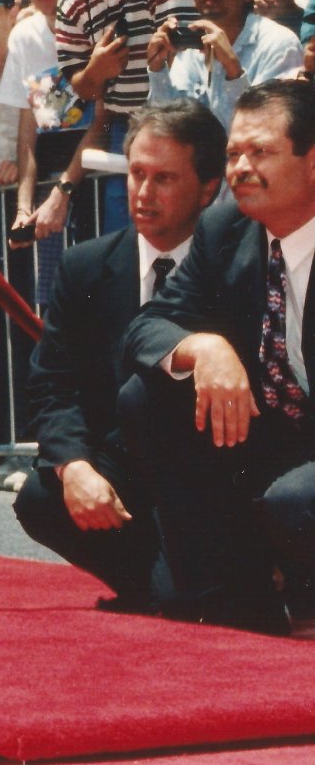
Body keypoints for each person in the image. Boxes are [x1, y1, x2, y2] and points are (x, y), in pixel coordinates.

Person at [121, 80, 315, 634]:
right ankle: (234, 597)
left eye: (262, 152)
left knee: (297, 503)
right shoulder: (225, 226)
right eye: (233, 153)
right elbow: (147, 326)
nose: (241, 168)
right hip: (280, 436)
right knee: (147, 396)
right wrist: (202, 346)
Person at [16, 101, 224, 613]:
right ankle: (163, 587)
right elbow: (52, 382)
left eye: (165, 179)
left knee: (186, 597)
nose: (144, 193)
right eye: (137, 174)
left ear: (208, 189)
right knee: (41, 496)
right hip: (123, 470)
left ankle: (177, 589)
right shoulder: (86, 266)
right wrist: (75, 468)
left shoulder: (235, 265)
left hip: (210, 476)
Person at [55, 0, 198, 234]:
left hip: (173, 120)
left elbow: (180, 39)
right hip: (122, 129)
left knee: (175, 232)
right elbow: (79, 87)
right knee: (129, 238)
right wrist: (95, 71)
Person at [147, 0, 298, 133]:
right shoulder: (191, 44)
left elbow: (268, 129)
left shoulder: (279, 44)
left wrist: (232, 69)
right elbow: (166, 125)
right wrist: (157, 68)